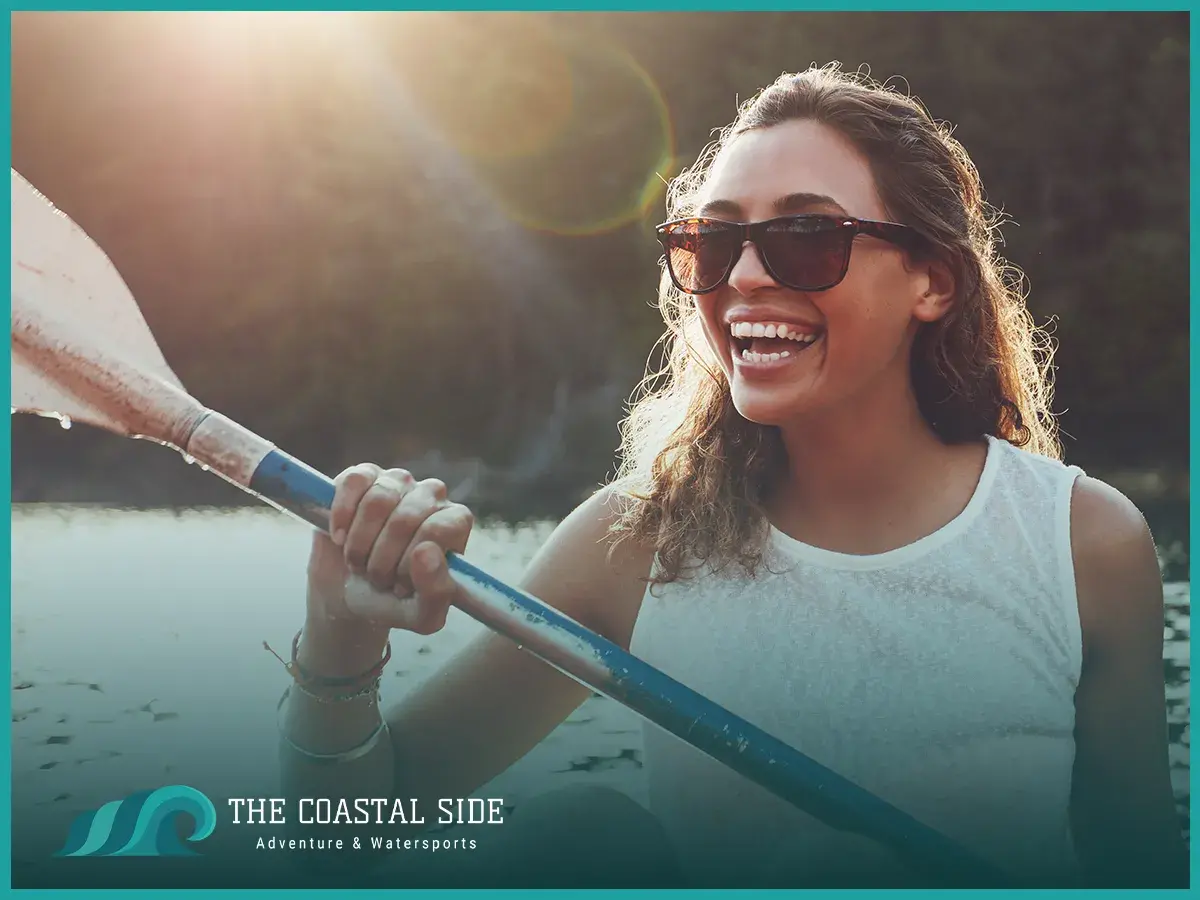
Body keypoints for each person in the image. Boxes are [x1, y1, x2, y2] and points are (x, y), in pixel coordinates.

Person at [276, 64, 1185, 888]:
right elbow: (342, 839)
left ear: (933, 283)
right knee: (585, 836)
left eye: (805, 237)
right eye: (713, 244)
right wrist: (338, 638)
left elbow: (1137, 871)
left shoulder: (1082, 543)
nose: (744, 277)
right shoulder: (633, 545)